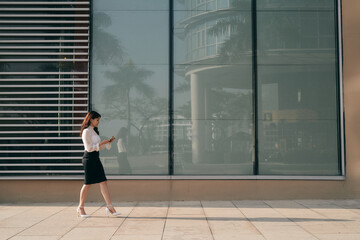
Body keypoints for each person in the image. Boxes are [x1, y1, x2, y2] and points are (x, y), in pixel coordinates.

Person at [77, 111, 120, 218]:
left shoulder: (93, 131)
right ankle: (80, 207)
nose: (98, 122)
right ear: (91, 119)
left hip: (95, 158)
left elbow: (97, 148)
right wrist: (101, 143)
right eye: (97, 120)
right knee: (87, 184)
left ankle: (109, 206)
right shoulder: (86, 131)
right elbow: (89, 148)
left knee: (103, 181)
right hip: (89, 159)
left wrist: (107, 143)